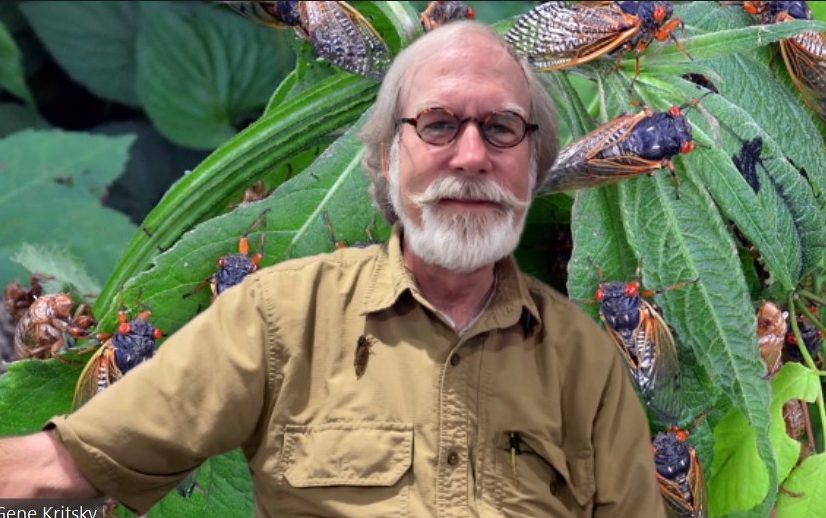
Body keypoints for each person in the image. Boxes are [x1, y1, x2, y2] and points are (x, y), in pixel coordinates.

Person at [0, 21, 666, 517]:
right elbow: (65, 463)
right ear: (380, 158)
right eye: (435, 127)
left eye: (501, 131)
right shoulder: (272, 315)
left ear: (537, 163)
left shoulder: (583, 354)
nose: (470, 158)